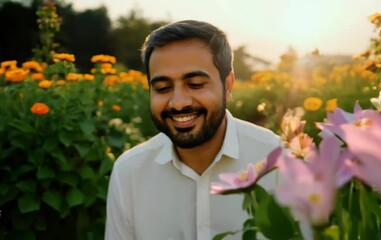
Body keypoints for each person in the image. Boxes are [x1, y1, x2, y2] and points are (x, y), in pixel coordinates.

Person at [105, 20, 281, 240]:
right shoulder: (129, 173)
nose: (178, 103)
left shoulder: (276, 160)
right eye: (162, 88)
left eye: (195, 84)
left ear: (227, 86)